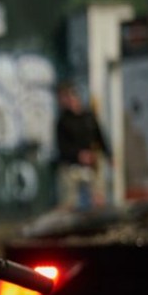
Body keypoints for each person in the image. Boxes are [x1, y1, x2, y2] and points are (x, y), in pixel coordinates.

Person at [55, 82, 111, 211]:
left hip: (91, 164)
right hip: (71, 166)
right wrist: (79, 155)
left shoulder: (88, 117)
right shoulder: (63, 121)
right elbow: (62, 147)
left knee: (98, 198)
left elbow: (99, 136)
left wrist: (108, 154)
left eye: (72, 96)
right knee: (69, 203)